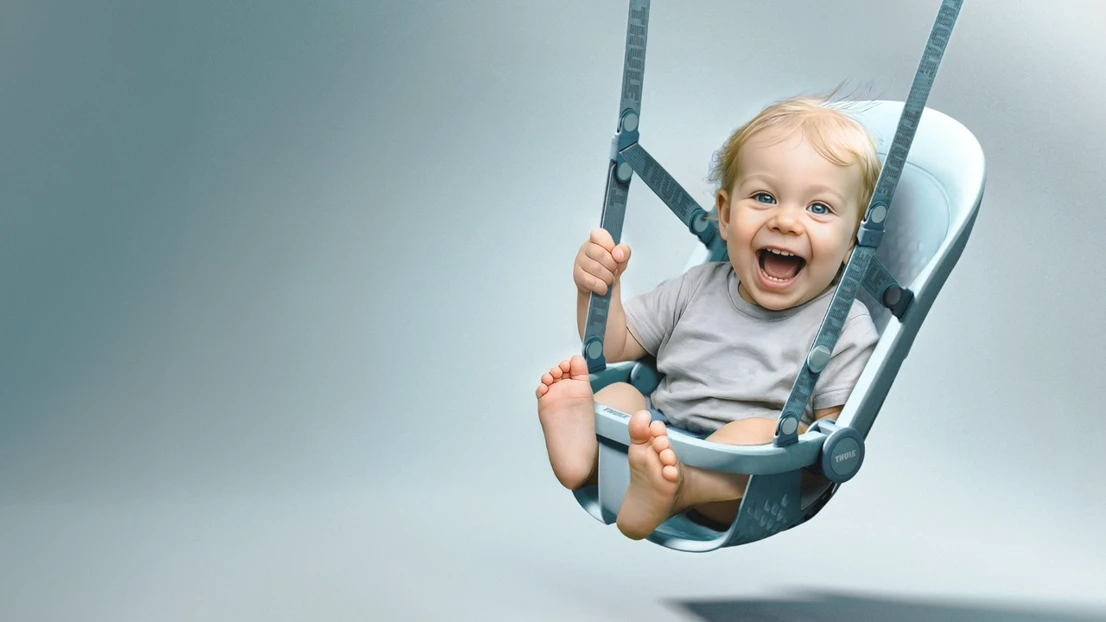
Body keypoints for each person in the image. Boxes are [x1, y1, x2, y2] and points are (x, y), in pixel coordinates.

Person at [535, 91, 883, 540]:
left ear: (853, 242)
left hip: (735, 491)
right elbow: (615, 345)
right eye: (763, 197)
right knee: (620, 394)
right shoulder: (697, 286)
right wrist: (599, 289)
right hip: (652, 445)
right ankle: (585, 459)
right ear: (724, 214)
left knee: (767, 431)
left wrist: (790, 446)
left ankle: (679, 486)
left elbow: (828, 436)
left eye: (819, 208)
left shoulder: (846, 325)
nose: (786, 222)